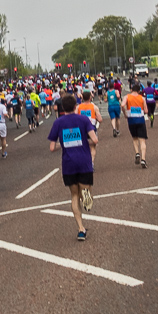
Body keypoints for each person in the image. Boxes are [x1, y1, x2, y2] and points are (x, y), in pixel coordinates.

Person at [48, 94, 99, 241]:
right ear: (76, 106)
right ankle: (87, 194)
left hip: (68, 163)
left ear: (63, 108)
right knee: (85, 188)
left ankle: (81, 228)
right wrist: (82, 141)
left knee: (74, 195)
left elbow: (52, 147)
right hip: (84, 161)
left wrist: (64, 144)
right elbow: (95, 140)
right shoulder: (83, 119)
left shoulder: (58, 122)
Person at [124, 83, 149, 168]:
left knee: (134, 138)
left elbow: (122, 105)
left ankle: (137, 153)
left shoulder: (127, 97)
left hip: (131, 120)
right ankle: (143, 159)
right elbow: (146, 111)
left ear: (131, 90)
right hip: (140, 120)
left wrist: (125, 113)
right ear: (139, 91)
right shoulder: (142, 98)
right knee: (142, 140)